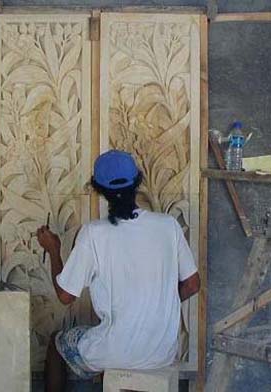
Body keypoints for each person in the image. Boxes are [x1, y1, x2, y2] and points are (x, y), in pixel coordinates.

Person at [37, 150, 200, 392]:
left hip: (117, 350)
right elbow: (192, 284)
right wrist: (156, 301)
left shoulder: (94, 233)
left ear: (99, 190)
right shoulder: (168, 226)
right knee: (107, 341)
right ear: (138, 182)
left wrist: (53, 250)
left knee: (57, 345)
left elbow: (65, 296)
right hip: (161, 352)